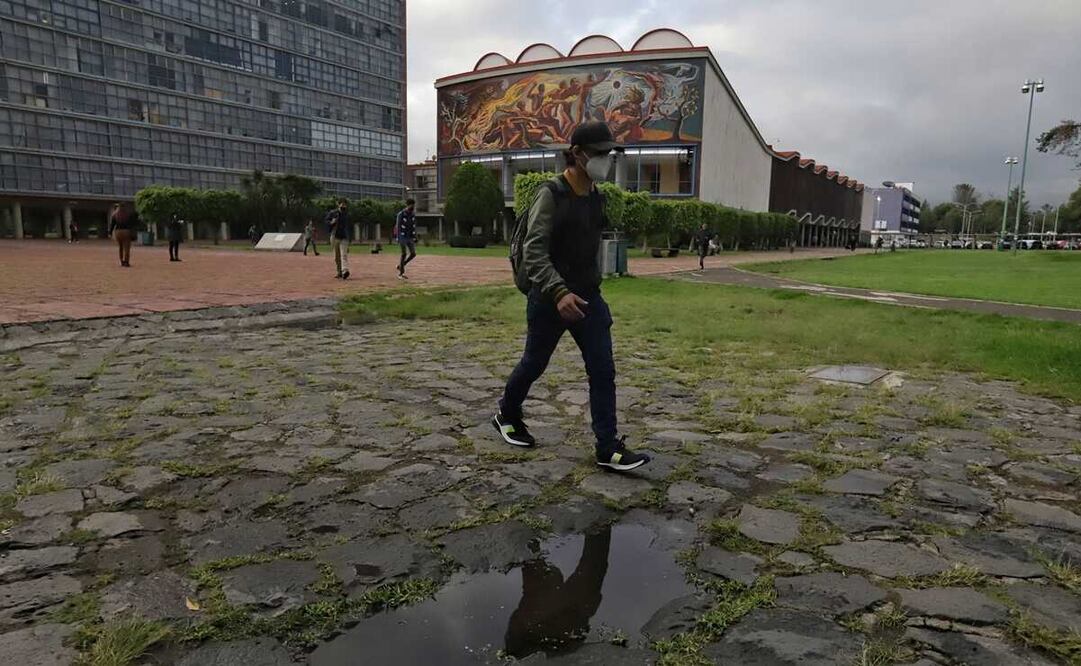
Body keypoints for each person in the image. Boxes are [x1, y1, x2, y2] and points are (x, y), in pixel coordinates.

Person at [493, 121, 650, 472]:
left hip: (588, 298)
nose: (605, 160)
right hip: (550, 298)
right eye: (598, 153)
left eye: (609, 153)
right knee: (534, 363)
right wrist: (559, 291)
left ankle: (607, 447)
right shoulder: (551, 194)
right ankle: (507, 413)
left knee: (602, 369)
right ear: (577, 154)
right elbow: (534, 251)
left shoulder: (596, 196)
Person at [327, 199, 351, 279]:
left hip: (344, 237)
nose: (343, 206)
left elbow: (348, 227)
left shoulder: (347, 215)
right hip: (334, 236)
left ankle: (345, 271)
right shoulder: (333, 213)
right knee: (336, 257)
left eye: (345, 205)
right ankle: (339, 272)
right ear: (338, 204)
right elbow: (326, 221)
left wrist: (349, 239)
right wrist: (331, 222)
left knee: (344, 255)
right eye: (342, 204)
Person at [394, 199, 418, 279]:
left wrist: (415, 236)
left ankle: (401, 266)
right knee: (404, 253)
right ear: (408, 205)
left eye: (414, 205)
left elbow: (413, 226)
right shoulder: (401, 214)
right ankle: (401, 273)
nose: (413, 206)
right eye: (412, 205)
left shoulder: (412, 214)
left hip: (409, 236)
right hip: (402, 236)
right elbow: (397, 226)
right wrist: (398, 237)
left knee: (413, 254)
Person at [108, 203, 134, 267]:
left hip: (118, 232)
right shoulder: (127, 214)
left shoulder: (114, 214)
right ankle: (126, 262)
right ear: (124, 207)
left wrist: (110, 233)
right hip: (126, 231)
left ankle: (121, 261)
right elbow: (131, 224)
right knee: (127, 248)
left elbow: (112, 225)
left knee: (120, 247)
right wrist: (132, 233)